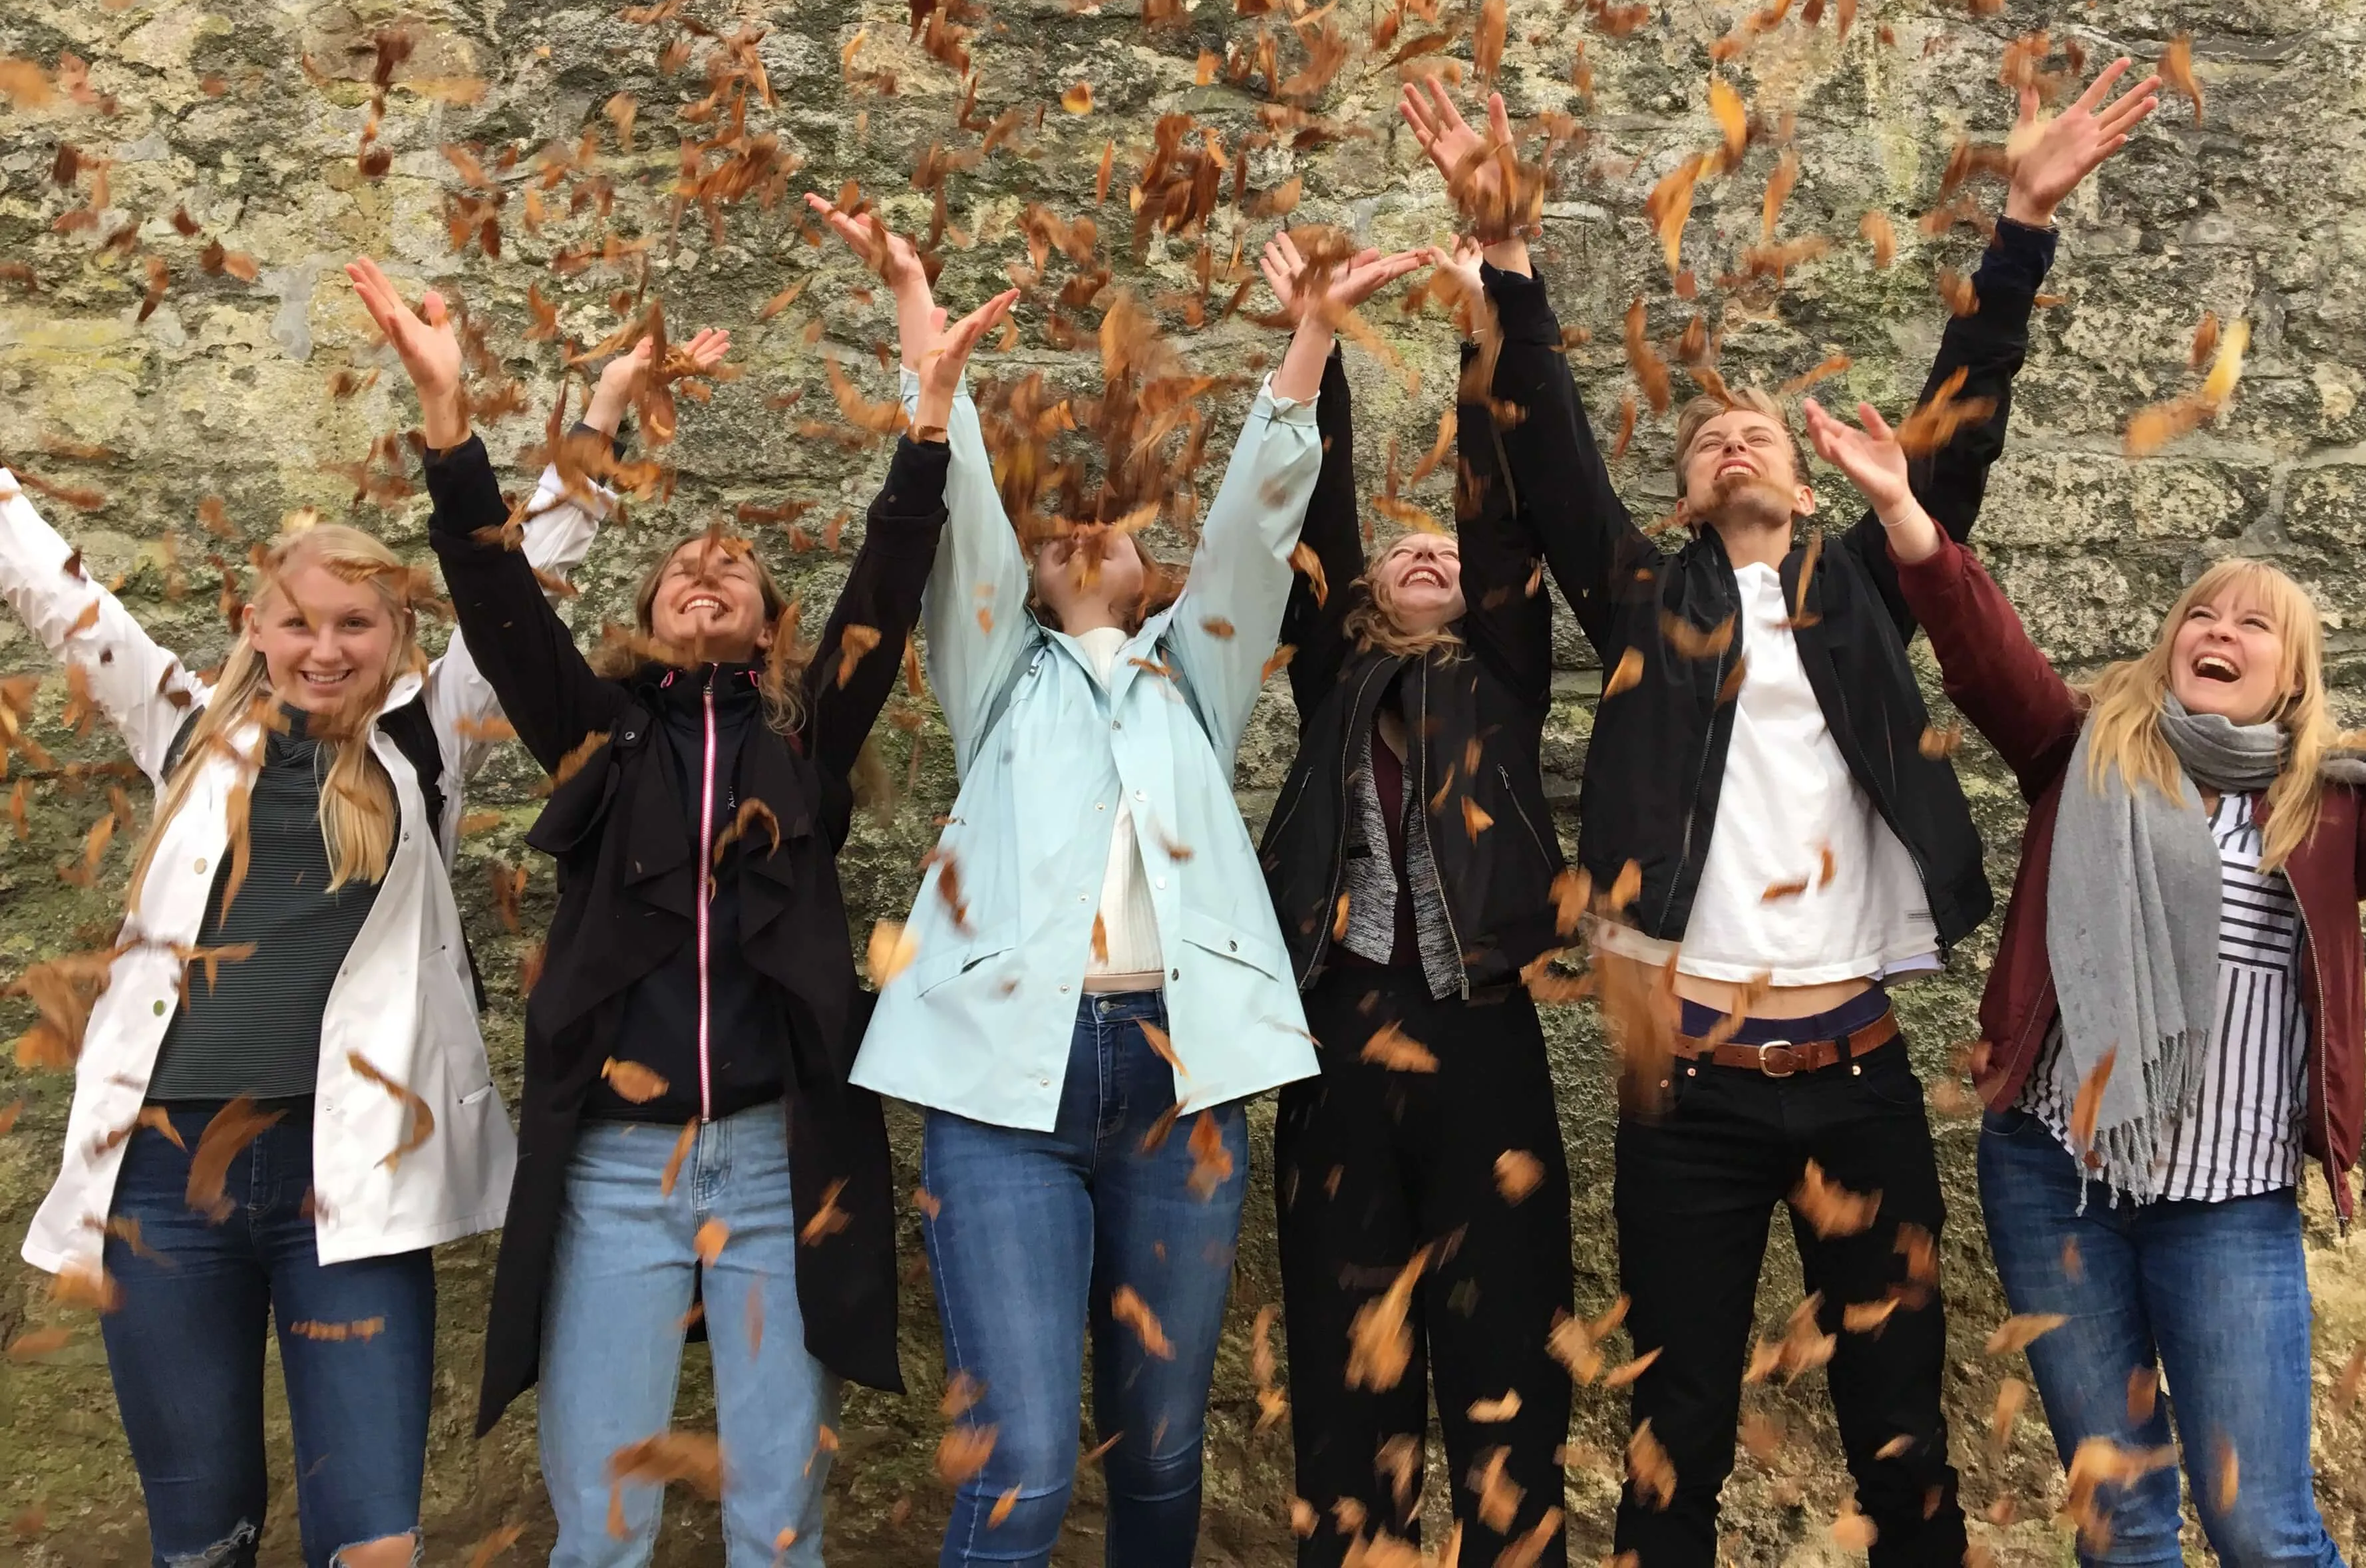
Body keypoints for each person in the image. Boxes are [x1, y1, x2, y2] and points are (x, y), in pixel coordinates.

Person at [1400, 61, 2160, 1567]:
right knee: (1677, 1429)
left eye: (1757, 432)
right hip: (1691, 1094)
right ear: (1681, 506)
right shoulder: (1643, 600)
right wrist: (1505, 260)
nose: (1731, 443)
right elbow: (1546, 454)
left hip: (1861, 1076)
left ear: (1814, 480)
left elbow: (1963, 424)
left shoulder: (1866, 582)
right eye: (1702, 445)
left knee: (1901, 1431)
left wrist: (2021, 222)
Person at [1805, 400, 2366, 1567]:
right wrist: (1904, 511)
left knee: (2259, 1529)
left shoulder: (2327, 814)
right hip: (2057, 1181)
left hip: (2228, 1206)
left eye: (2253, 625)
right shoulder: (2083, 757)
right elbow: (1981, 645)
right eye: (2200, 615)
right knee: (2122, 1526)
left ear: (2291, 678)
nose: (2218, 630)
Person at [3, 333, 687, 1568]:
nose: (326, 649)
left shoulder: (430, 742)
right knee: (202, 1542)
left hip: (346, 1186)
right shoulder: (180, 735)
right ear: (255, 628)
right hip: (162, 1188)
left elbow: (529, 573)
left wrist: (599, 413)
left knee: (371, 1545)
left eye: (356, 625)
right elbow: (65, 600)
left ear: (395, 632)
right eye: (299, 623)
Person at [351, 259, 991, 1568]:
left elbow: (886, 586)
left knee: (776, 1519)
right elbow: (500, 604)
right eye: (683, 569)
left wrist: (927, 420)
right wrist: (453, 425)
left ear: (765, 629)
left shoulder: (804, 739)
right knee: (602, 1518)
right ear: (645, 622)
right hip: (616, 1168)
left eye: (736, 569)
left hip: (774, 1163)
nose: (707, 570)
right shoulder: (599, 740)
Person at [835, 203, 1425, 1568]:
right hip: (1002, 1095)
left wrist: (1311, 340)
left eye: (1114, 523)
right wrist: (929, 360)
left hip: (1179, 1086)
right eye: (1063, 526)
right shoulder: (992, 681)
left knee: (1161, 1456)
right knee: (1030, 1467)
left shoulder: (1194, 679)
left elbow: (1256, 533)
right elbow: (961, 518)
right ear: (1032, 575)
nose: (1088, 531)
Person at [1255, 234, 1574, 1568]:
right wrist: (1316, 342)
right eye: (1405, 554)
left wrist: (1484, 318)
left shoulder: (1502, 679)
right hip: (1335, 1037)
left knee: (1508, 1388)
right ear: (1373, 602)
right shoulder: (1334, 684)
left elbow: (1500, 512)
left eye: (1444, 550)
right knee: (1345, 1394)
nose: (1427, 552)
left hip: (1483, 1034)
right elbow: (1314, 529)